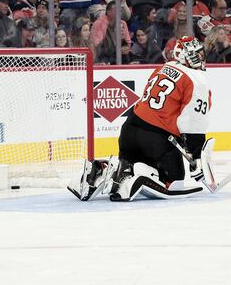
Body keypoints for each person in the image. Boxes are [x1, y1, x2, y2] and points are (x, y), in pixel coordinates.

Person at [70, 37, 213, 202]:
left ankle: (105, 170)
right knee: (175, 182)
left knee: (135, 163)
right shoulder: (197, 80)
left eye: (201, 54)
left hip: (129, 131)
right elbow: (193, 121)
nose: (200, 59)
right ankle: (135, 177)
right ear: (185, 56)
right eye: (196, 55)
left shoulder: (164, 67)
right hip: (155, 140)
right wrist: (196, 155)